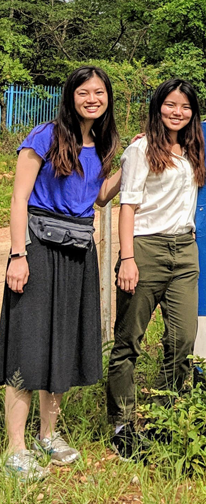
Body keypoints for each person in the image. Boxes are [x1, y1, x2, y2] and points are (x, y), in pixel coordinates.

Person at [0, 66, 121, 480]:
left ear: (107, 98)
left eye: (99, 92)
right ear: (70, 96)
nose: (92, 98)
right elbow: (18, 199)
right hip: (37, 248)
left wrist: (133, 161)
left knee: (62, 343)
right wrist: (18, 255)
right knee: (27, 344)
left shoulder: (101, 143)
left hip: (77, 252)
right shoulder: (45, 136)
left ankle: (48, 436)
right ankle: (16, 448)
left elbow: (100, 196)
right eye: (84, 91)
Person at [106, 78, 206, 459]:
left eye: (184, 106)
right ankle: (123, 424)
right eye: (169, 104)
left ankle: (164, 416)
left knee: (182, 339)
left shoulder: (193, 148)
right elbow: (126, 205)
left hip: (185, 250)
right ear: (157, 106)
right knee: (129, 340)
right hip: (146, 248)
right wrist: (127, 258)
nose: (176, 112)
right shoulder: (141, 148)